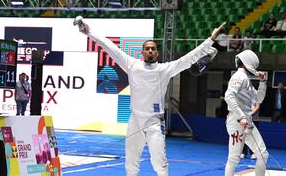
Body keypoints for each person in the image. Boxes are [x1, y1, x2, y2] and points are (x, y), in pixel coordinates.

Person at [76, 16, 225, 176]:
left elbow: (188, 59)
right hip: (135, 120)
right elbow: (110, 47)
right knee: (131, 163)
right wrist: (89, 32)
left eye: (153, 48)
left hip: (155, 121)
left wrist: (210, 40)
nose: (150, 51)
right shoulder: (132, 65)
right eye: (147, 48)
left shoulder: (165, 69)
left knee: (159, 162)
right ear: (142, 52)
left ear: (157, 52)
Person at [224, 50, 268, 176]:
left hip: (246, 122)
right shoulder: (239, 76)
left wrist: (262, 82)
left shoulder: (245, 79)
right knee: (233, 159)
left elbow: (258, 98)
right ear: (248, 64)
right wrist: (242, 116)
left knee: (262, 154)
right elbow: (228, 97)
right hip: (237, 121)